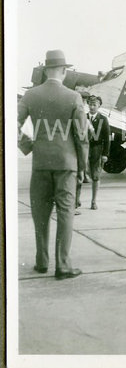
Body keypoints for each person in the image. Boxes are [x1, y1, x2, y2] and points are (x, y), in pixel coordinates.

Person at [17, 50, 89, 280]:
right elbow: (81, 136)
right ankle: (63, 265)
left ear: (46, 70)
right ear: (64, 71)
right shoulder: (73, 97)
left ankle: (41, 261)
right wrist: (82, 166)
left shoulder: (31, 96)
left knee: (40, 213)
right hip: (67, 164)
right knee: (66, 213)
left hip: (40, 162)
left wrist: (28, 145)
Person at [76, 95, 110, 210]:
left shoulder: (103, 119)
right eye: (90, 104)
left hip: (97, 149)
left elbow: (107, 138)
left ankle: (93, 201)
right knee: (79, 174)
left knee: (95, 175)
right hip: (83, 148)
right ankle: (76, 200)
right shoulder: (83, 117)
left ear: (99, 106)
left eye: (94, 104)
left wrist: (105, 154)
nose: (92, 107)